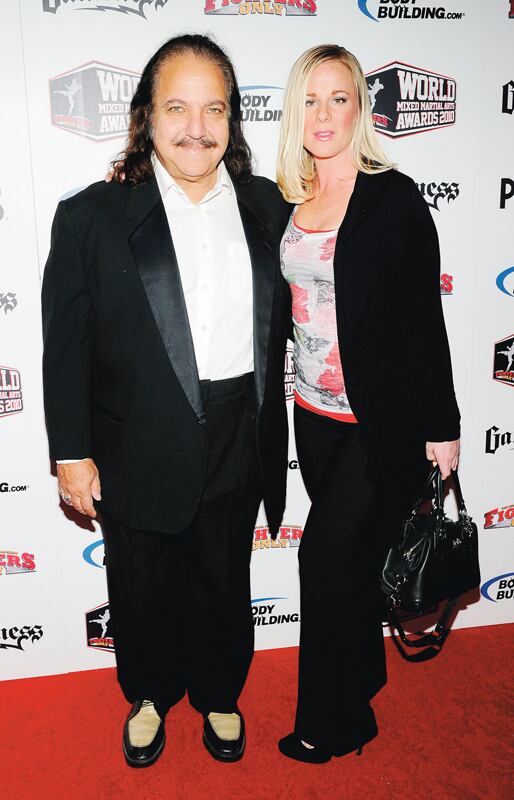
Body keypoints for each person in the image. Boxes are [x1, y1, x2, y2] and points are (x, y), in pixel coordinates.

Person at [42, 34, 290, 768]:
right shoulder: (92, 216)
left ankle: (220, 693)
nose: (197, 128)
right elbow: (66, 346)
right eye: (177, 107)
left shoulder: (267, 206)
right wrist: (71, 452)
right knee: (141, 581)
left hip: (238, 429)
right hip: (136, 436)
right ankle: (148, 695)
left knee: (224, 577)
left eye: (214, 108)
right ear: (147, 115)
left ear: (232, 119)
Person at [275, 44, 460, 763]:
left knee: (323, 561)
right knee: (348, 569)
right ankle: (361, 688)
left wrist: (443, 427)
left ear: (360, 108)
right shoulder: (289, 200)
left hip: (378, 426)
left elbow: (424, 320)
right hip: (312, 417)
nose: (324, 114)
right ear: (296, 111)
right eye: (310, 100)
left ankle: (329, 723)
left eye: (338, 98)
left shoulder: (394, 198)